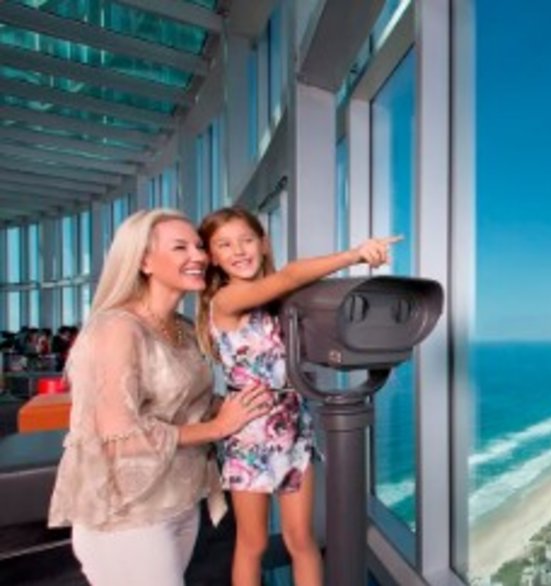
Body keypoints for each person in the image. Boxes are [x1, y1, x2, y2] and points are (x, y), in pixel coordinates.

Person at [48, 209, 274, 586]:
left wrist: (254, 401)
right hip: (126, 512)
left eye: (199, 246)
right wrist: (219, 427)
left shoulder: (183, 329)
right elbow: (120, 436)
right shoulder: (117, 328)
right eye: (180, 247)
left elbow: (190, 401)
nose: (199, 256)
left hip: (180, 499)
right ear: (144, 261)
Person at [195, 206, 400, 586]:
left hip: (293, 425)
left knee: (301, 539)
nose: (239, 251)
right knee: (252, 543)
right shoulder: (225, 300)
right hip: (250, 431)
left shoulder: (282, 302)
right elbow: (290, 274)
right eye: (225, 245)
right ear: (212, 257)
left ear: (263, 243)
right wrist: (355, 254)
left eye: (246, 240)